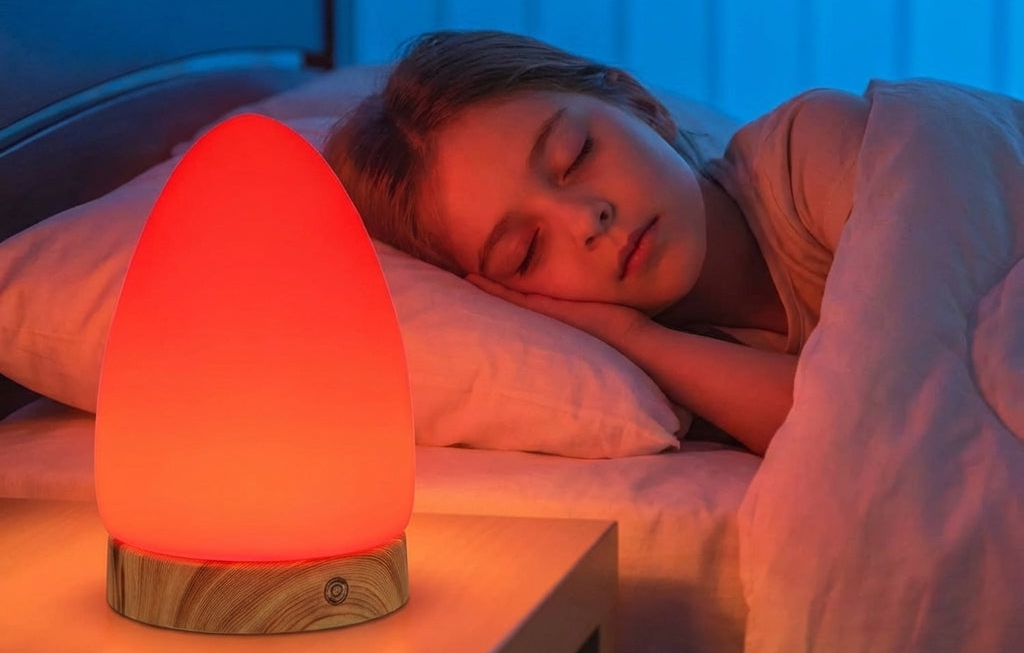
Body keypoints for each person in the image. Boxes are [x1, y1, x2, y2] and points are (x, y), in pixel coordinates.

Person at [324, 30, 869, 455]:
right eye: (527, 251)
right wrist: (635, 339)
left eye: (576, 154)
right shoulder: (687, 385)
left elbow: (894, 419)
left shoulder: (821, 151)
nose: (587, 218)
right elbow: (846, 433)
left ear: (641, 104)